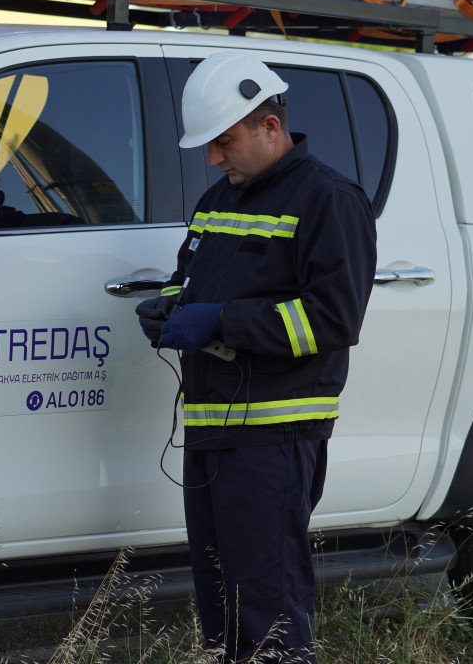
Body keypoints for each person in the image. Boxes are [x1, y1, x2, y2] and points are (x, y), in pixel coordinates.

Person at [136, 52, 377, 662]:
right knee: (219, 602)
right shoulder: (222, 196)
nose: (214, 159)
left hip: (275, 432)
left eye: (224, 143)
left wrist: (222, 322)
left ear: (270, 127)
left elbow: (332, 318)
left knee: (269, 604)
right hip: (212, 429)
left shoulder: (328, 200)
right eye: (210, 148)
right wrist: (167, 308)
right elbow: (189, 277)